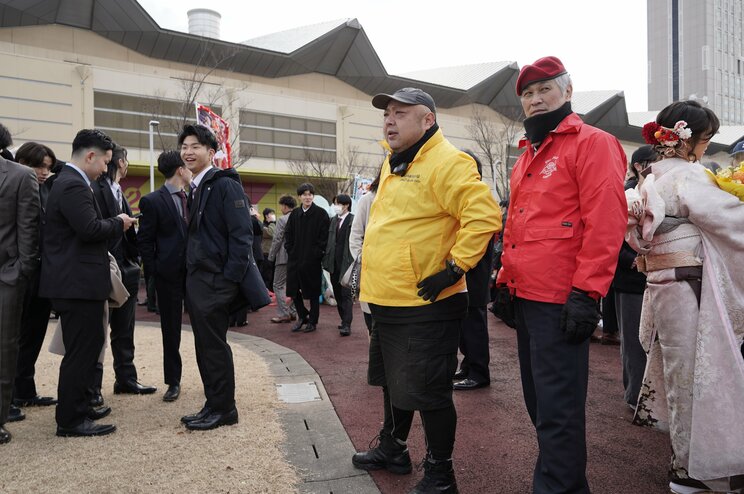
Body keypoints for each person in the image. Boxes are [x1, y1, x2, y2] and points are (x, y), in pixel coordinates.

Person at [352, 87, 500, 493]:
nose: (389, 120)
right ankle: (394, 448)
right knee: (392, 382)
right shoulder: (394, 161)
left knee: (431, 391)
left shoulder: (447, 161)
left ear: (427, 120)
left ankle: (440, 472)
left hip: (425, 302)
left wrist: (454, 267)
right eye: (387, 114)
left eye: (400, 113)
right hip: (386, 297)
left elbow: (484, 216)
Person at [496, 56, 627, 493]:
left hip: (560, 298)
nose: (535, 100)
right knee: (540, 405)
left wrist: (587, 294)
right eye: (528, 94)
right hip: (527, 295)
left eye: (545, 90)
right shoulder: (527, 153)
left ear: (567, 92)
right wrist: (504, 281)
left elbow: (605, 222)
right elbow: (517, 225)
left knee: (559, 409)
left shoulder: (593, 143)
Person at [627, 100, 744, 493]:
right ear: (686, 139)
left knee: (682, 373)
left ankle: (683, 463)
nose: (706, 148)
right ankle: (698, 470)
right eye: (705, 139)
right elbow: (730, 222)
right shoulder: (689, 177)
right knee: (699, 375)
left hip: (663, 285)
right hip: (688, 284)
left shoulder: (648, 176)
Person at [40, 129, 137, 437]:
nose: (104, 170)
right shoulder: (73, 185)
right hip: (77, 283)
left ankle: (78, 408)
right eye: (105, 163)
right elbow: (90, 228)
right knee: (82, 351)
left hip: (78, 282)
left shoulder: (71, 183)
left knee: (85, 347)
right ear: (90, 156)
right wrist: (119, 223)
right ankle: (71, 419)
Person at [179, 124, 253, 431]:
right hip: (199, 281)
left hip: (215, 282)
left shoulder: (223, 184)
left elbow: (242, 235)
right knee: (204, 346)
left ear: (211, 153)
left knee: (214, 346)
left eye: (195, 146)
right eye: (184, 146)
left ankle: (225, 409)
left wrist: (228, 281)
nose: (188, 151)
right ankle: (213, 403)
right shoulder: (198, 186)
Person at [91, 145, 156, 400]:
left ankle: (126, 378)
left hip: (125, 269)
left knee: (124, 329)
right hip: (103, 268)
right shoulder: (96, 188)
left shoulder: (119, 192)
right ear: (120, 163)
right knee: (97, 331)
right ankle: (93, 388)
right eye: (126, 160)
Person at [137, 150, 193, 403]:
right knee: (170, 330)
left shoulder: (194, 196)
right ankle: (173, 381)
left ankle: (211, 377)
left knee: (205, 325)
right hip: (167, 275)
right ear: (180, 169)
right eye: (187, 166)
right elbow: (145, 242)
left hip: (195, 272)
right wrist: (154, 274)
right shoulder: (152, 201)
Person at [11, 142, 58, 408]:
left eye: (47, 167)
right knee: (14, 337)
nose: (44, 171)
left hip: (42, 274)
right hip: (19, 272)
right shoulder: (12, 189)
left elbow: (65, 167)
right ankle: (11, 396)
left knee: (34, 334)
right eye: (38, 166)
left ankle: (25, 391)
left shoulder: (46, 190)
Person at [0, 143, 40, 444]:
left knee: (5, 347)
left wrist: (22, 269)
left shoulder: (20, 175)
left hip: (7, 275)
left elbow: (29, 226)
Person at [613, 145, 658, 411]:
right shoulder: (624, 194)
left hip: (660, 276)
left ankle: (656, 399)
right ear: (640, 166)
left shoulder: (661, 191)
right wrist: (632, 260)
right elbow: (609, 236)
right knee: (633, 340)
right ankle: (635, 396)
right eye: (655, 161)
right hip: (630, 281)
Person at [453, 152, 495, 391]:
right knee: (465, 328)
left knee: (474, 328)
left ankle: (479, 372)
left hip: (473, 272)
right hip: (464, 273)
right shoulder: (466, 194)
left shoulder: (478, 195)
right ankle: (469, 365)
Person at [284, 183, 330, 334]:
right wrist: (290, 249)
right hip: (295, 259)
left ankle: (313, 321)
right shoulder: (295, 214)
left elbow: (324, 237)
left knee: (313, 292)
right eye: (304, 194)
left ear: (313, 196)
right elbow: (288, 234)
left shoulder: (321, 214)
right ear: (299, 197)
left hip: (312, 260)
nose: (307, 197)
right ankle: (302, 316)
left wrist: (317, 253)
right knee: (293, 290)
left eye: (310, 194)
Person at [348, 171, 380, 334]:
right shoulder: (367, 199)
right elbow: (355, 234)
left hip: (396, 274)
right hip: (371, 271)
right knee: (372, 326)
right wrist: (363, 258)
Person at [322, 194, 354, 336]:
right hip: (334, 262)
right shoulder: (333, 220)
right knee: (338, 293)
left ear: (346, 205)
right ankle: (343, 320)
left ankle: (347, 324)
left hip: (347, 262)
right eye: (335, 203)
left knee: (346, 294)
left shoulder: (353, 220)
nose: (336, 206)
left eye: (338, 204)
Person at [268, 196, 298, 324]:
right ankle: (293, 311)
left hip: (283, 257)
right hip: (297, 257)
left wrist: (271, 256)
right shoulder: (299, 217)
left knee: (278, 285)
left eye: (281, 206)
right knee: (294, 285)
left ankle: (283, 313)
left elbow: (277, 239)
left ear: (285, 206)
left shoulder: (282, 220)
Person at [261, 207, 276, 291]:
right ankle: (266, 292)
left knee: (273, 274)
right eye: (271, 214)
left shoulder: (274, 224)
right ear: (266, 216)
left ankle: (272, 291)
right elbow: (271, 233)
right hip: (266, 254)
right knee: (267, 275)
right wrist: (272, 222)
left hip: (274, 254)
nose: (273, 215)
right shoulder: (263, 226)